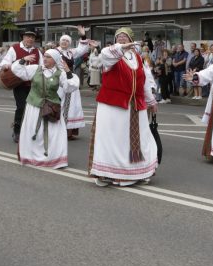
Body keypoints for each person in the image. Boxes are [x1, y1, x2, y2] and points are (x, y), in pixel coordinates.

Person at [88, 27, 159, 187]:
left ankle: (139, 171)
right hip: (113, 104)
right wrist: (121, 48)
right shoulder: (111, 55)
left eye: (124, 37)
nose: (121, 38)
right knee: (112, 139)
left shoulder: (138, 58)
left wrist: (151, 101)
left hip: (135, 104)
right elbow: (106, 55)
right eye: (118, 36)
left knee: (140, 139)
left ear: (131, 39)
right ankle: (108, 173)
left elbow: (144, 82)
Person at [11, 47, 79, 169]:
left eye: (48, 57)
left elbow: (71, 87)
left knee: (53, 134)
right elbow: (17, 70)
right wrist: (23, 60)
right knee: (33, 131)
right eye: (45, 56)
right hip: (34, 106)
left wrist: (68, 71)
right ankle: (31, 156)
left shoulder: (60, 73)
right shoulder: (35, 69)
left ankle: (52, 158)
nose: (45, 59)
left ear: (55, 60)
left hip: (51, 108)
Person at [0, 30, 42, 143]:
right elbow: (4, 63)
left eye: (32, 37)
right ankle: (17, 131)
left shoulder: (37, 51)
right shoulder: (15, 48)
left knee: (33, 108)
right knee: (22, 107)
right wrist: (6, 66)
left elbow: (43, 66)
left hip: (34, 85)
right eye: (28, 36)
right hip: (19, 84)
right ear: (23, 37)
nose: (30, 39)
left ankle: (29, 131)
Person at [52, 26, 92, 138]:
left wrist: (83, 35)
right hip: (58, 80)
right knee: (60, 104)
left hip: (70, 79)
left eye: (67, 41)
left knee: (72, 105)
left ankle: (69, 130)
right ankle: (58, 128)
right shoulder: (55, 51)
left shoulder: (70, 52)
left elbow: (82, 49)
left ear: (69, 43)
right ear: (60, 41)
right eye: (63, 40)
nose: (65, 42)